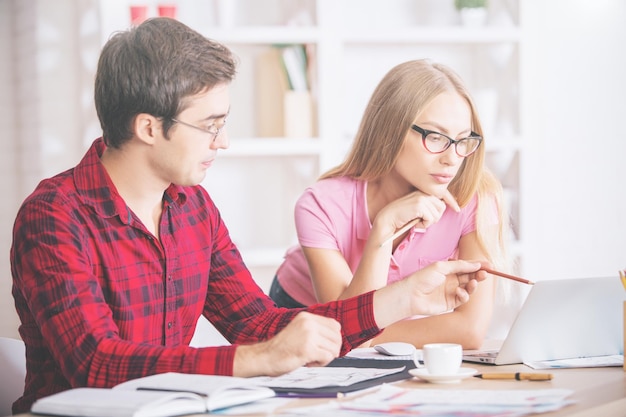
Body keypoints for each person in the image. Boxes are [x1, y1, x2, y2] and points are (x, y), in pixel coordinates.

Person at [9, 18, 488, 414]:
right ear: (149, 128)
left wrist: (400, 299)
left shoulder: (192, 208)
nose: (223, 141)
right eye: (210, 125)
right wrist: (259, 360)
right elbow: (96, 365)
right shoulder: (54, 217)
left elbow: (261, 325)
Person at [270, 59, 511, 349]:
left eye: (462, 141)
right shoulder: (319, 204)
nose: (451, 158)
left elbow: (469, 329)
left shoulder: (476, 198)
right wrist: (384, 228)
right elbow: (342, 327)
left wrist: (366, 336)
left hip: (386, 324)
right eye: (435, 137)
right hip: (301, 310)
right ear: (390, 131)